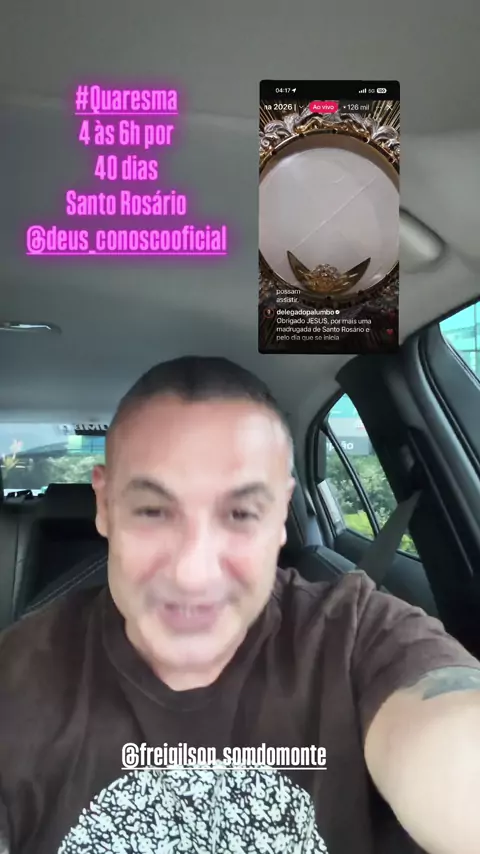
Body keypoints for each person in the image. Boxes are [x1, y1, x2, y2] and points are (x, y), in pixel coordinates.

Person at [0, 355, 479, 854]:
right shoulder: (16, 676)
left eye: (241, 513)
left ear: (281, 514)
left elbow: (453, 742)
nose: (193, 574)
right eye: (152, 511)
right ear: (104, 506)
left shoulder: (357, 637)